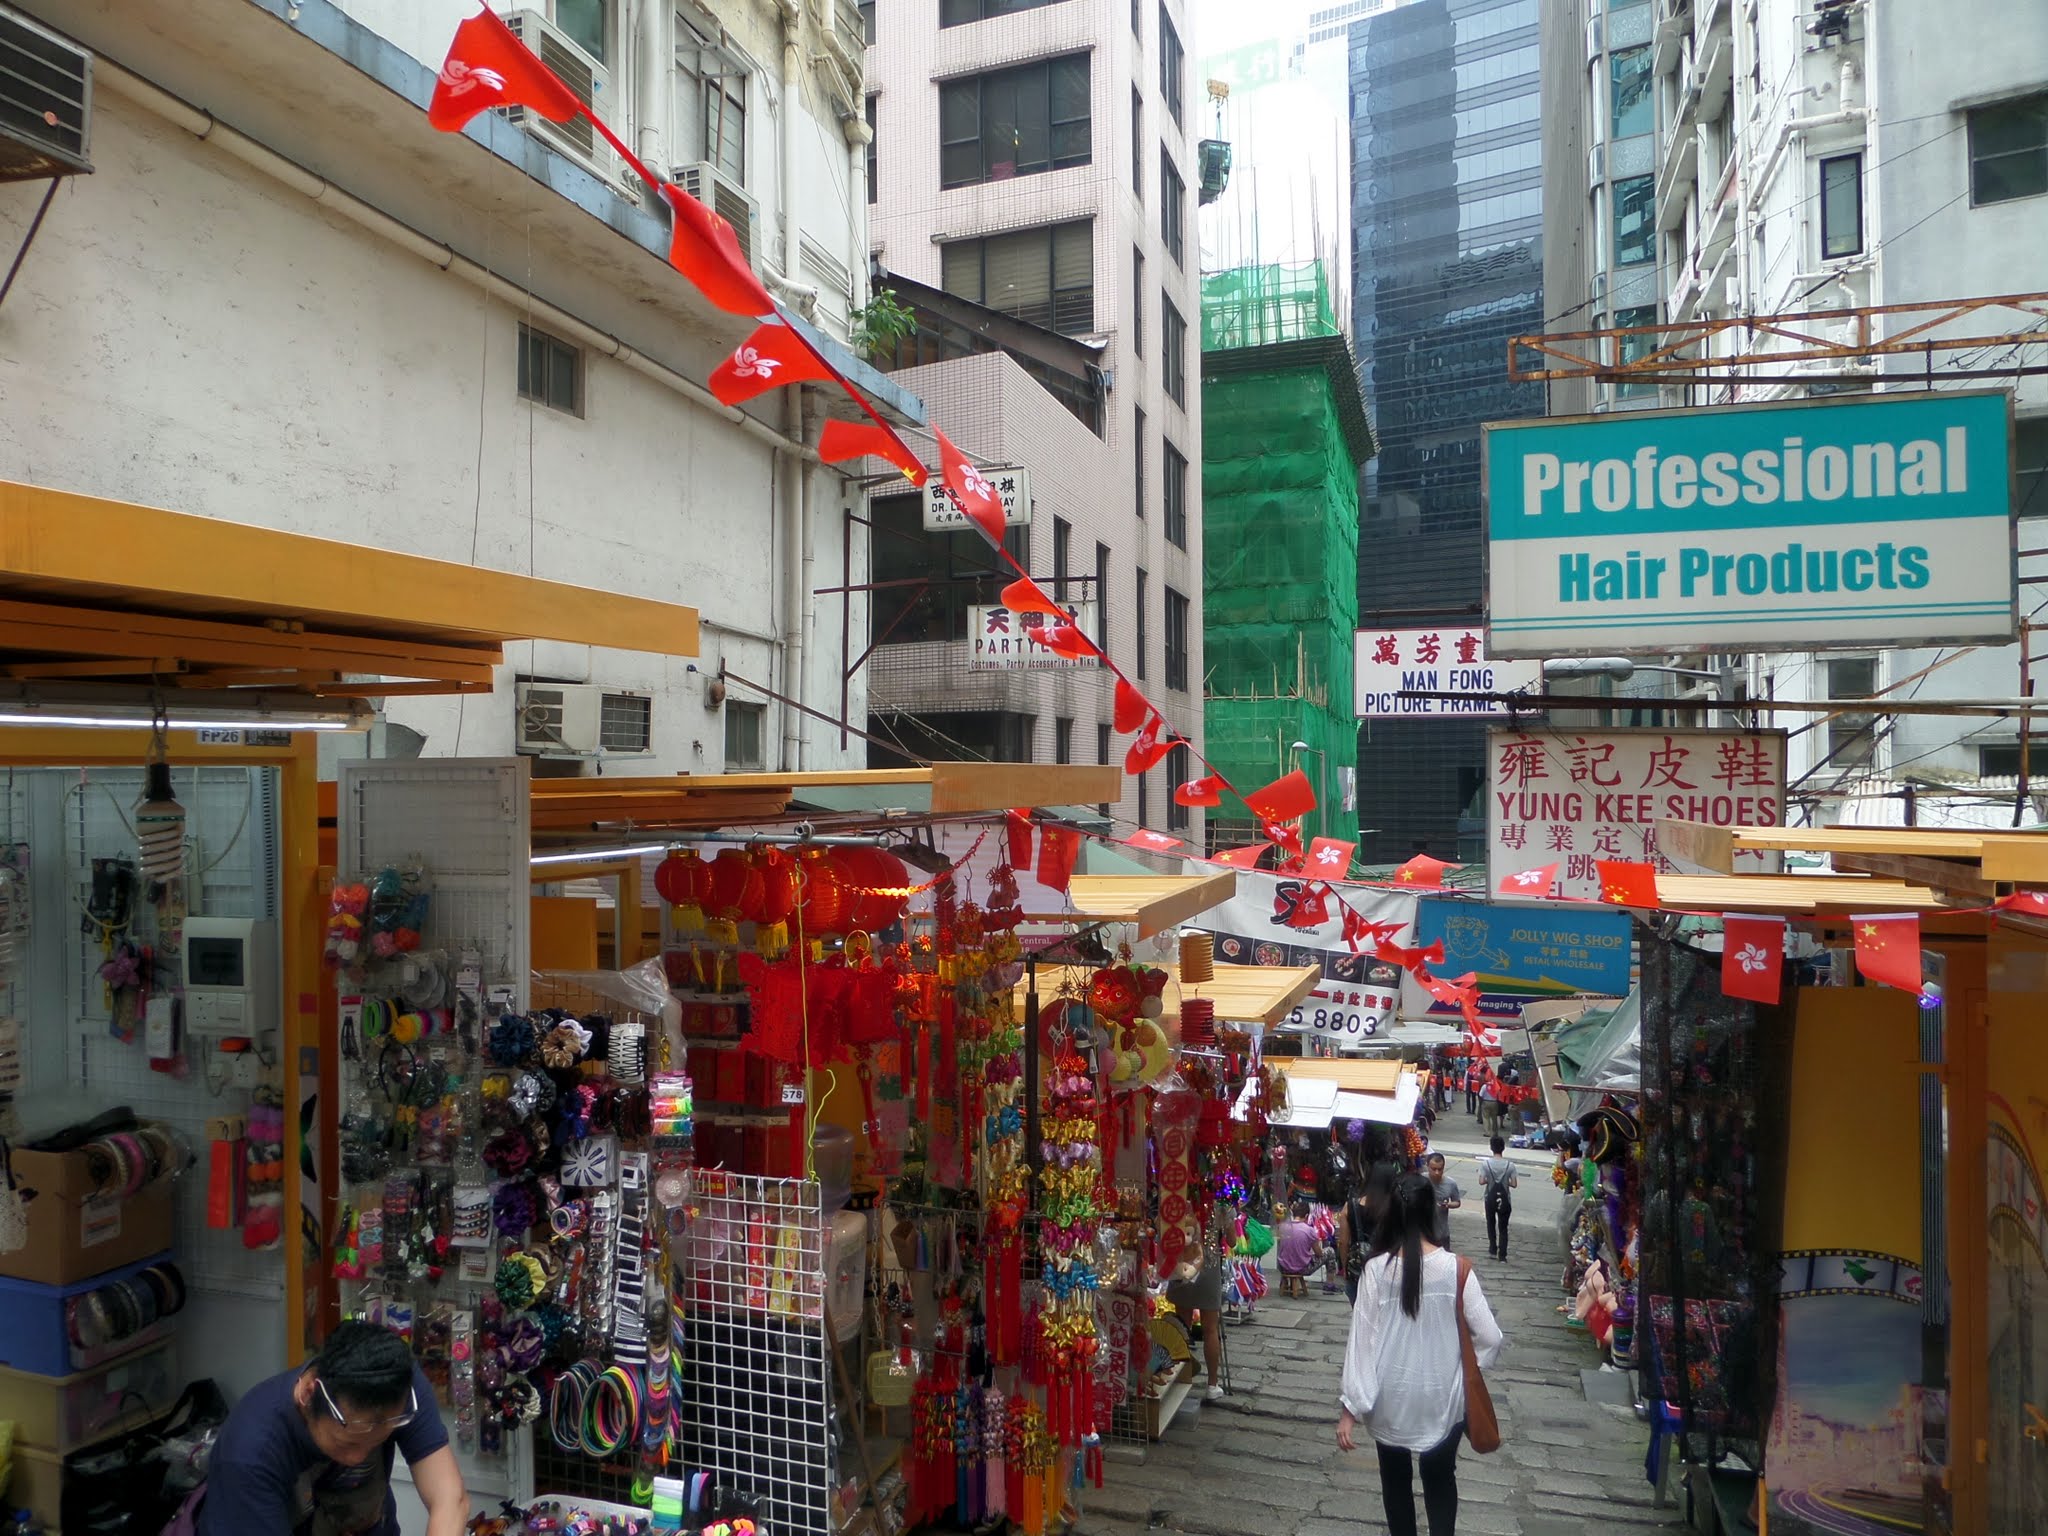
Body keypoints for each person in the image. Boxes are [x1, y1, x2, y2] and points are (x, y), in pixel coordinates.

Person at [1336, 1174, 1504, 1536]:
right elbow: (1490, 1337)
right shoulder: (1456, 1270)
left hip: (1389, 1396)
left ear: (1389, 1214)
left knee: (1395, 1483)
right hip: (1443, 1396)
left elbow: (1361, 1344)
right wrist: (1463, 1370)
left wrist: (1351, 1408)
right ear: (1432, 1211)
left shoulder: (1375, 1271)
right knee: (1440, 1478)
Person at [195, 1320, 469, 1536]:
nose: (358, 1458)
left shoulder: (394, 1384)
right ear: (308, 1394)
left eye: (375, 1442)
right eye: (346, 1443)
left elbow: (449, 1499)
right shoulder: (249, 1453)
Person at [1166, 1223, 1228, 1401]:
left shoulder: (1180, 1200)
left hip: (1182, 1264)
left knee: (1182, 1327)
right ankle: (1212, 1384)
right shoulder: (1222, 1201)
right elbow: (1231, 1240)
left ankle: (1181, 1380)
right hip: (1209, 1266)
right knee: (1210, 1329)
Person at [1476, 1134, 1519, 1261]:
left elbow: (1481, 1181)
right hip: (1505, 1200)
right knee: (1503, 1227)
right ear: (1503, 1148)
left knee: (1491, 1223)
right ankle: (1503, 1255)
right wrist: (1505, 1182)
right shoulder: (1510, 1165)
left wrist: (1491, 1180)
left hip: (1490, 1198)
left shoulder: (1485, 1164)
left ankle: (1493, 1248)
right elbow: (1514, 1184)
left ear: (1491, 1148)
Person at [1275, 1197, 1319, 1299]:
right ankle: (1330, 1284)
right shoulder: (1309, 1230)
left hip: (1283, 1267)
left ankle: (1284, 1282)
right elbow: (1319, 1253)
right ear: (1307, 1216)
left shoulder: (1282, 1227)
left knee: (1286, 1252)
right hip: (1302, 1268)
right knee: (1329, 1252)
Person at [1424, 1152, 1462, 1249]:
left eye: (1440, 1169)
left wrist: (1449, 1204)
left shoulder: (1451, 1183)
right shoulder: (1421, 1180)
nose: (1437, 1172)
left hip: (1442, 1233)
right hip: (1424, 1232)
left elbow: (1457, 1202)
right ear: (1427, 1166)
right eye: (1433, 1169)